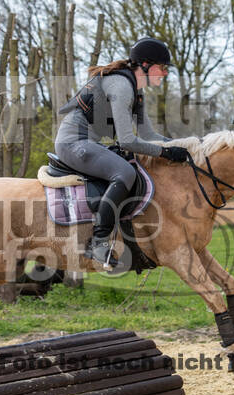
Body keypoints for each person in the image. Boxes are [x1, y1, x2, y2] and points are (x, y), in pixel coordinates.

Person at [55, 37, 189, 267]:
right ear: (145, 65)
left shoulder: (136, 92)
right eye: (162, 68)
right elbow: (127, 141)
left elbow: (148, 135)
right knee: (125, 173)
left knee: (130, 169)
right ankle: (98, 244)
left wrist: (185, 145)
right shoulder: (121, 87)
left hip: (89, 143)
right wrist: (165, 154)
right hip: (73, 144)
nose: (165, 73)